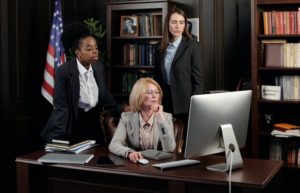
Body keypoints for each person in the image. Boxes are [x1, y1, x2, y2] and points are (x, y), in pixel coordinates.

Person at [41, 21, 128, 145]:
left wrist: (123, 109)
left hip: (94, 123)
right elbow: (62, 107)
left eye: (96, 48)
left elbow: (105, 96)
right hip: (73, 124)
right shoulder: (64, 72)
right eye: (89, 48)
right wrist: (58, 138)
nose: (95, 51)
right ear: (78, 53)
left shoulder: (98, 67)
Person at [154, 6, 204, 128]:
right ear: (168, 24)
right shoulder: (159, 47)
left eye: (182, 23)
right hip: (164, 101)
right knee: (166, 140)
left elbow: (198, 80)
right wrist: (156, 100)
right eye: (174, 22)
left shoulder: (192, 46)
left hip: (185, 103)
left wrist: (195, 105)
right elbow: (157, 78)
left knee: (185, 140)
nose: (178, 26)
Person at [108, 77, 176, 163]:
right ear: (138, 95)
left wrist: (160, 119)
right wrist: (129, 152)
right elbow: (114, 144)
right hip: (135, 164)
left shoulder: (166, 117)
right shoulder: (126, 117)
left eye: (157, 92)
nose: (155, 96)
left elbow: (170, 148)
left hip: (159, 165)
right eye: (149, 92)